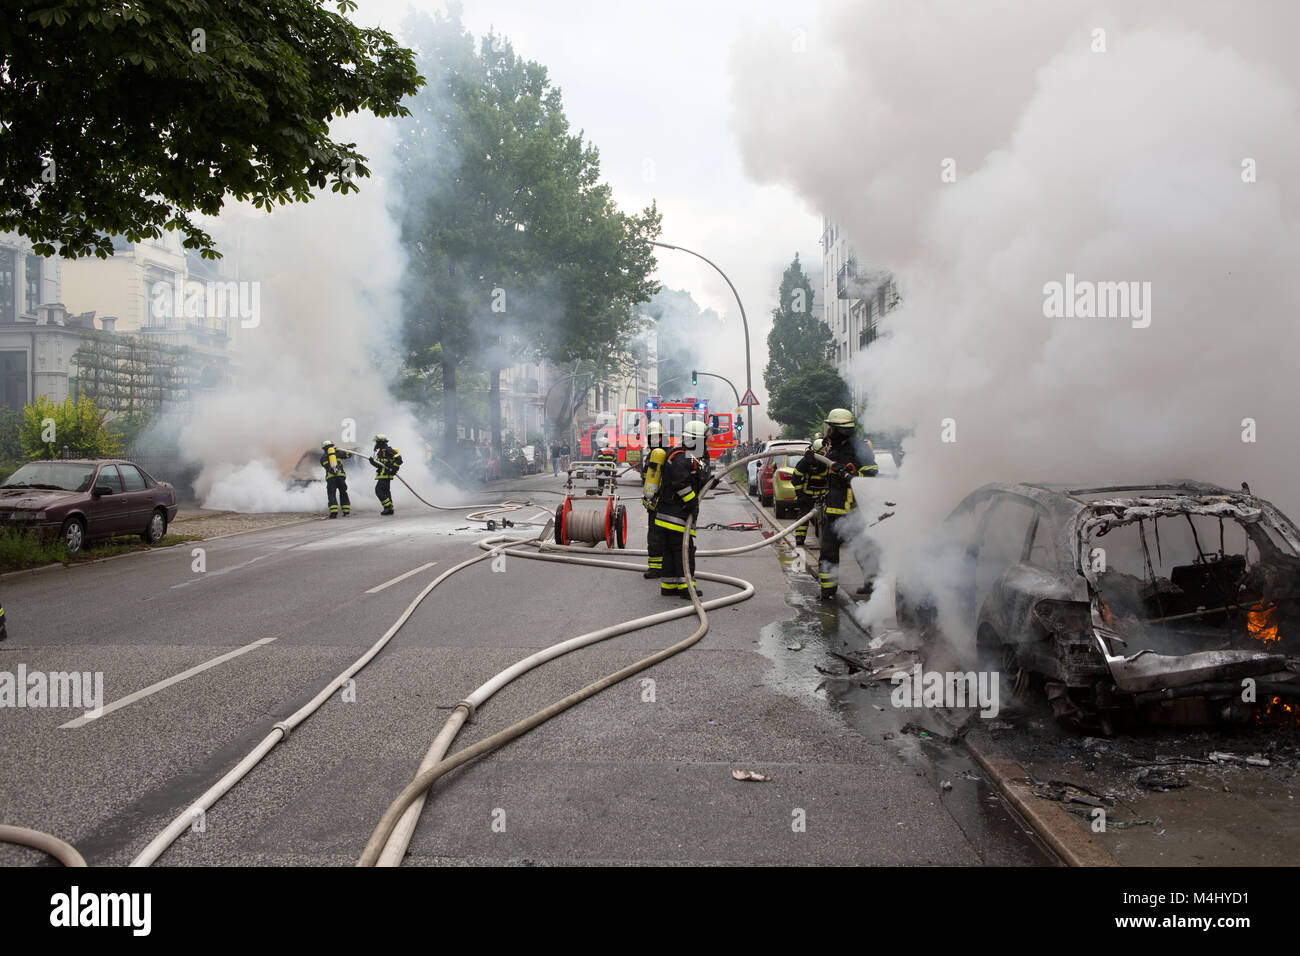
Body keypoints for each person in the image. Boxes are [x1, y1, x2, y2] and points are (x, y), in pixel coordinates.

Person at [816, 409, 877, 599]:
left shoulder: (860, 448)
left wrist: (851, 475)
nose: (828, 431)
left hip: (853, 511)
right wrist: (811, 460)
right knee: (828, 551)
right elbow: (825, 472)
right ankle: (828, 591)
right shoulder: (833, 448)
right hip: (834, 510)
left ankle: (873, 586)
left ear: (840, 430)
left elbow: (871, 473)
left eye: (831, 428)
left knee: (862, 550)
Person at [653, 419, 710, 599]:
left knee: (671, 550)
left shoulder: (685, 456)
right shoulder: (680, 457)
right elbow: (681, 485)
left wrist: (709, 483)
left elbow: (693, 481)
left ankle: (669, 586)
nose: (705, 445)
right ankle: (687, 588)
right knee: (684, 551)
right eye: (703, 441)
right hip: (675, 514)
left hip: (668, 512)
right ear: (695, 440)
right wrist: (693, 504)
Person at [790, 437, 831, 547]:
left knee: (830, 516)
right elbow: (795, 479)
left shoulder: (828, 461)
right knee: (804, 515)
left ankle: (830, 538)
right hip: (808, 493)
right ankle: (800, 537)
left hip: (824, 493)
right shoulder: (805, 462)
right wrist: (800, 495)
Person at [640, 421, 667, 578]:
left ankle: (657, 568)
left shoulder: (662, 455)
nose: (655, 440)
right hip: (654, 501)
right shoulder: (652, 454)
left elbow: (665, 479)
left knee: (657, 535)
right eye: (652, 437)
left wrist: (656, 497)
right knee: (655, 535)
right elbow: (647, 479)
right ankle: (657, 566)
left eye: (657, 437)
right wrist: (647, 497)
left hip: (660, 501)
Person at [368, 433, 403, 516]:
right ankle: (390, 509)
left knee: (379, 491)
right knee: (386, 492)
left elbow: (399, 459)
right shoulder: (381, 452)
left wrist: (393, 468)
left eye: (377, 442)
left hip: (386, 474)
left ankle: (388, 507)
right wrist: (372, 462)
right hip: (382, 474)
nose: (375, 444)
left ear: (380, 442)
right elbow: (380, 465)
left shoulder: (388, 450)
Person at [320, 440, 353, 518]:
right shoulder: (338, 453)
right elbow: (349, 455)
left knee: (332, 494)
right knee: (343, 492)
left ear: (324, 449)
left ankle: (334, 512)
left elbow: (325, 466)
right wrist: (345, 450)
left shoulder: (323, 457)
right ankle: (346, 511)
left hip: (331, 478)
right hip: (341, 476)